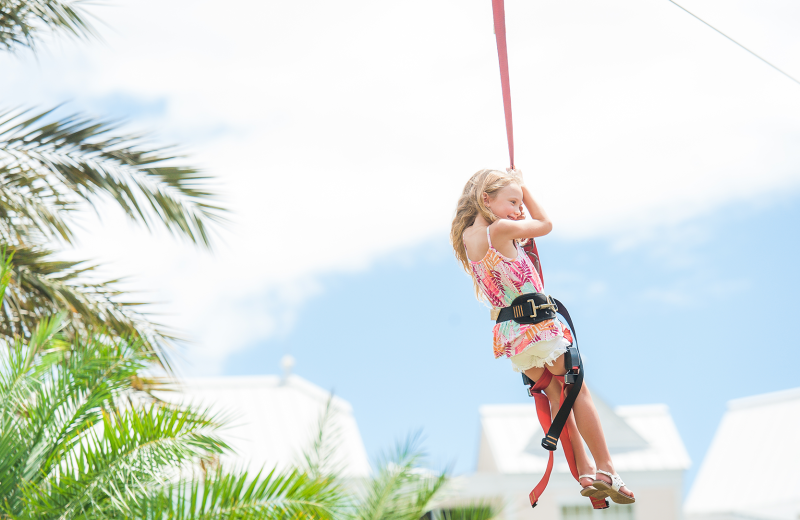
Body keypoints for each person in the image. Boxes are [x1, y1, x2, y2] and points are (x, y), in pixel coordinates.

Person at [450, 168, 635, 504]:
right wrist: (526, 188)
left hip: (513, 338)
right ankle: (606, 466)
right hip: (538, 328)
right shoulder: (501, 229)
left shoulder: (469, 239)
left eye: (520, 202)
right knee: (577, 388)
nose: (518, 209)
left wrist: (514, 197)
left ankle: (586, 473)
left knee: (556, 395)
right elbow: (545, 225)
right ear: (485, 198)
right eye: (512, 201)